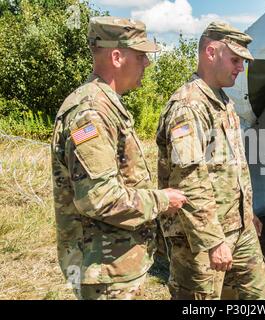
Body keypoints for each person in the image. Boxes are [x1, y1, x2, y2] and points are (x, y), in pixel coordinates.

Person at [51, 16, 187, 300]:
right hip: (105, 271)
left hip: (114, 264)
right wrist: (163, 200)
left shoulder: (104, 105)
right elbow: (100, 198)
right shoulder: (92, 113)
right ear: (116, 56)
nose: (147, 64)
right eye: (141, 56)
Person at [156, 21, 265, 300]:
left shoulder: (222, 100)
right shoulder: (189, 106)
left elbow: (231, 166)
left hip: (238, 227)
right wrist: (212, 240)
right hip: (201, 237)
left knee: (257, 293)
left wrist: (247, 213)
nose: (240, 68)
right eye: (235, 60)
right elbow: (190, 179)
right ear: (210, 52)